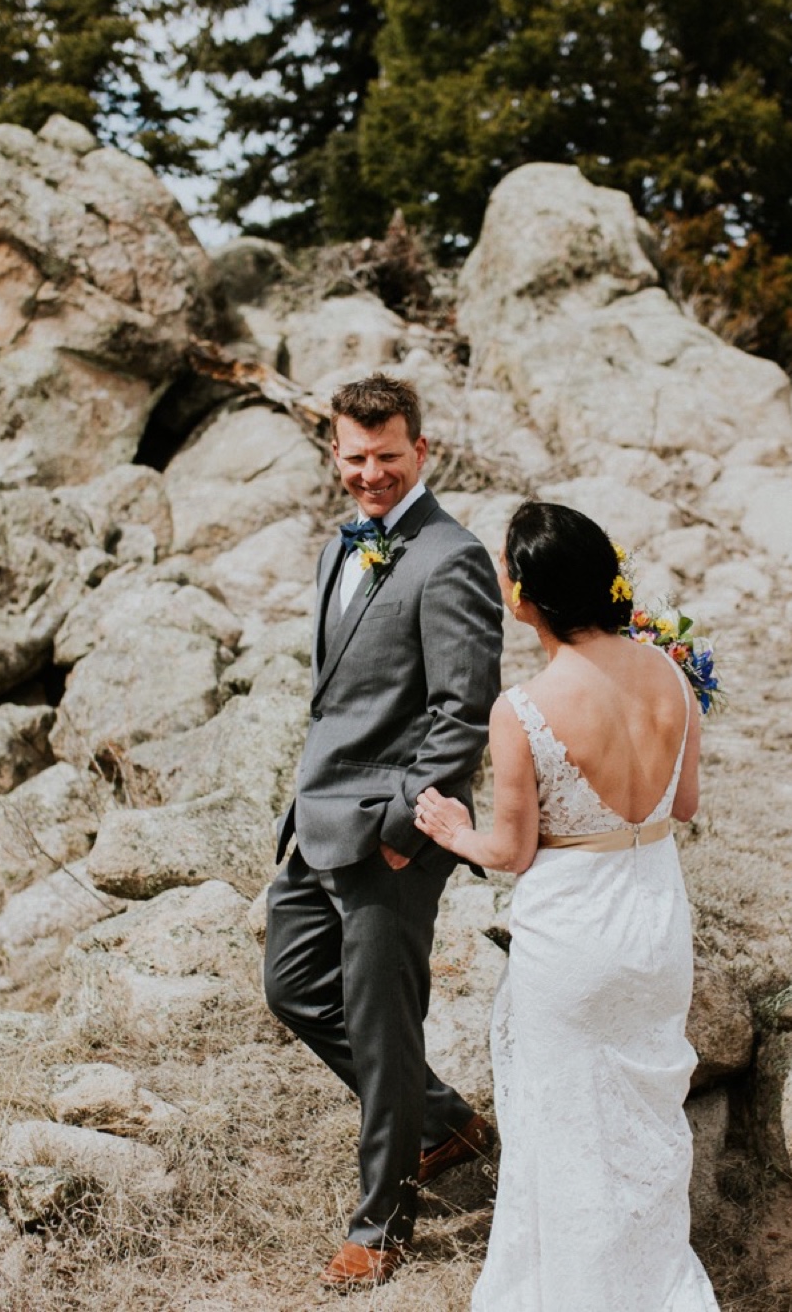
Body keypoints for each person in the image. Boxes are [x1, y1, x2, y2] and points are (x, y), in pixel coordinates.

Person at [414, 500, 718, 1312]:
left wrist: (451, 827)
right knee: (645, 1122)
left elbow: (511, 852)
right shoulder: (672, 675)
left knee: (567, 1130)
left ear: (524, 597)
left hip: (576, 934)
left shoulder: (524, 708)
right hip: (655, 921)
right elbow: (682, 805)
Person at [264, 373, 504, 1292]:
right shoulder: (340, 547)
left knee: (381, 1026)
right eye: (355, 458)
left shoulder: (452, 557)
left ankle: (383, 1225)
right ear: (335, 452)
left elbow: (462, 710)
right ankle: (441, 1121)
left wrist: (407, 828)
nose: (370, 475)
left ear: (422, 453)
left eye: (388, 458)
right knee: (291, 990)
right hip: (315, 820)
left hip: (389, 835)